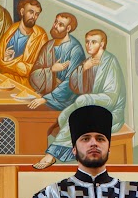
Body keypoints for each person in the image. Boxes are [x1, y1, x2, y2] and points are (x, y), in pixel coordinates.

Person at [34, 29, 127, 169]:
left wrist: (86, 99)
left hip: (109, 112)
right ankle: (60, 152)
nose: (89, 45)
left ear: (102, 44)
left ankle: (51, 154)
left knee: (77, 119)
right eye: (87, 42)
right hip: (90, 107)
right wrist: (83, 69)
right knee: (67, 115)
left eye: (93, 42)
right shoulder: (88, 61)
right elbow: (75, 86)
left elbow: (112, 98)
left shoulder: (110, 62)